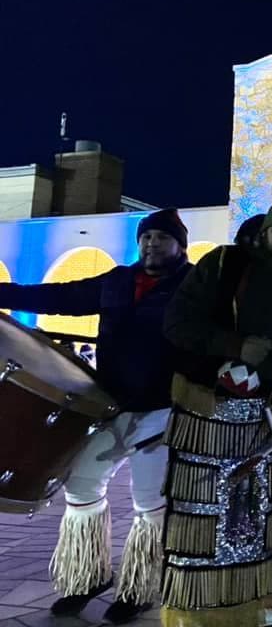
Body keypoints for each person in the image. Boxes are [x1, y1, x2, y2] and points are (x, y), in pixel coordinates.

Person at [0, 208, 192, 623]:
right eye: (147, 237)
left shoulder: (194, 286)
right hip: (110, 404)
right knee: (81, 485)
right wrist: (4, 294)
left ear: (180, 245)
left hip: (163, 408)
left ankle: (140, 586)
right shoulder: (117, 281)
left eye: (162, 237)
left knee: (150, 500)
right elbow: (58, 297)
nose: (152, 244)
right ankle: (87, 574)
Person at [160, 199, 272, 627]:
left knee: (255, 515)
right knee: (202, 510)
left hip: (264, 421)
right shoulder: (223, 264)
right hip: (206, 414)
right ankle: (195, 607)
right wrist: (233, 346)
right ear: (266, 230)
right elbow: (176, 323)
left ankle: (253, 602)